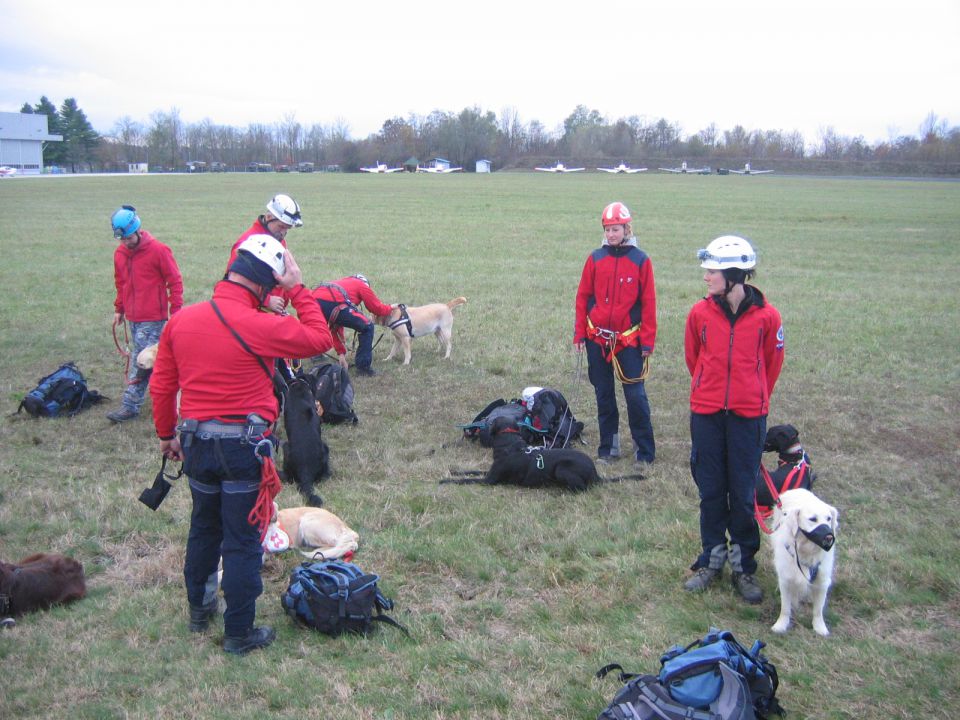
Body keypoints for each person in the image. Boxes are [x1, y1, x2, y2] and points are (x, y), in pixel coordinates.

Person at [150, 235, 334, 655]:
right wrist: (297, 287)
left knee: (203, 529)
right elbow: (320, 337)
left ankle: (200, 611)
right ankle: (239, 633)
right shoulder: (261, 325)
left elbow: (162, 386)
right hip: (244, 450)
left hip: (196, 443)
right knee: (241, 541)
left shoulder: (181, 320)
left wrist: (167, 436)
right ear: (264, 284)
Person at [682, 235, 784, 604]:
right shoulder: (699, 312)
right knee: (711, 491)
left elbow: (772, 365)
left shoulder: (767, 317)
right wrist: (709, 391)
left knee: (742, 495)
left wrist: (750, 395)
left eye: (712, 271)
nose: (706, 277)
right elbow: (694, 357)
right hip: (707, 415)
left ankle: (744, 568)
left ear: (733, 274)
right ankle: (711, 560)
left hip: (747, 418)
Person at [574, 201, 657, 465]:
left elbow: (649, 302)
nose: (611, 234)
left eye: (616, 229)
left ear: (627, 228)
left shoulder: (641, 260)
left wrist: (647, 341)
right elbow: (583, 296)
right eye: (608, 229)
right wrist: (579, 334)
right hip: (597, 338)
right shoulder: (595, 258)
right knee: (604, 394)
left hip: (628, 341)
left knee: (635, 396)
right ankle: (609, 446)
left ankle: (644, 449)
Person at [106, 205, 183, 423]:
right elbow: (120, 282)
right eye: (121, 239)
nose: (125, 243)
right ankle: (176, 396)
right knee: (158, 362)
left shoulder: (159, 250)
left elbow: (175, 281)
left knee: (143, 361)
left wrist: (175, 312)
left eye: (128, 238)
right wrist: (119, 308)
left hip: (154, 318)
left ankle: (130, 405)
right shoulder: (120, 254)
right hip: (133, 317)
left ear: (137, 229)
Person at [226, 193, 303, 314]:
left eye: (287, 229)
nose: (283, 233)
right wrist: (266, 300)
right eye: (281, 227)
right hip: (253, 312)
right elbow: (233, 283)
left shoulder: (278, 239)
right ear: (268, 217)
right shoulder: (245, 245)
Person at [311, 274, 395, 376]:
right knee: (367, 327)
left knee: (317, 328)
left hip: (312, 300)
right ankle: (363, 369)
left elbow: (336, 325)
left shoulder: (342, 283)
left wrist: (341, 354)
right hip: (333, 302)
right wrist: (391, 308)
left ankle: (316, 354)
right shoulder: (361, 285)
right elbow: (376, 308)